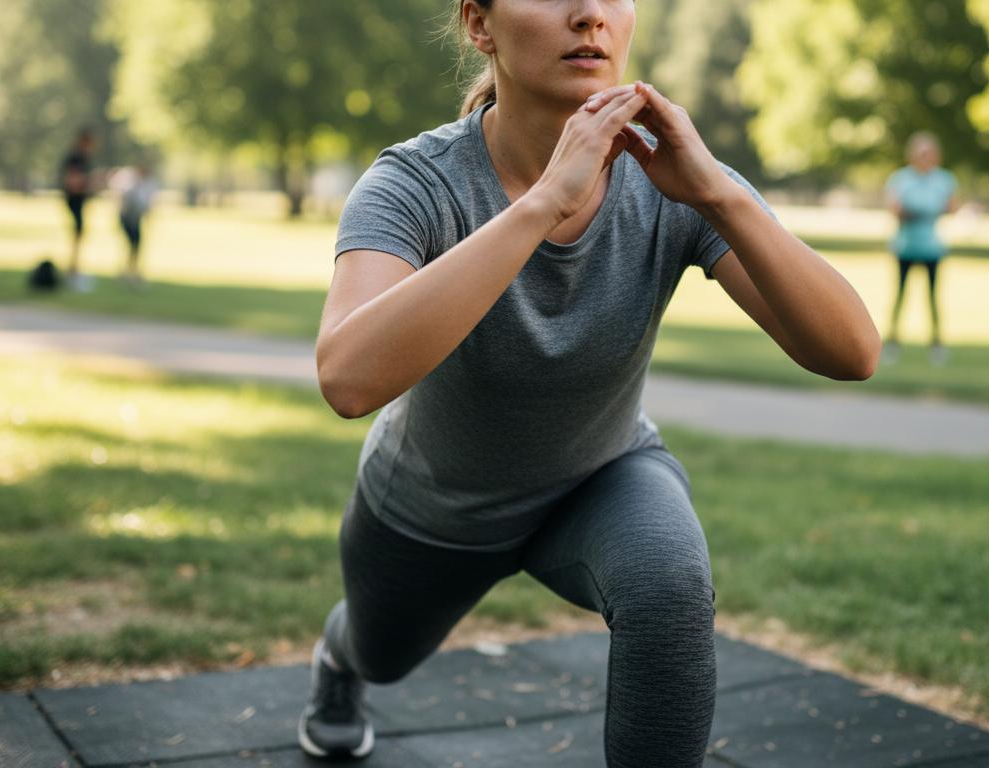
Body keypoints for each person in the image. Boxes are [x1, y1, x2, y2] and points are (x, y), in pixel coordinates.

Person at [301, 1, 880, 765]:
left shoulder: (674, 178)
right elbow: (347, 380)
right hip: (433, 506)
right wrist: (545, 203)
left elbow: (851, 352)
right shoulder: (415, 181)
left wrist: (720, 196)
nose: (589, 14)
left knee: (669, 587)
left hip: (601, 477)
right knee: (379, 655)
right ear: (480, 25)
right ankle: (338, 662)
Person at [882, 132, 959, 366]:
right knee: (899, 296)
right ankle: (892, 343)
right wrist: (924, 211)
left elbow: (951, 206)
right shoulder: (901, 179)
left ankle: (936, 344)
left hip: (931, 248)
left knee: (933, 299)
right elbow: (896, 209)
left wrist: (923, 210)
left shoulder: (943, 179)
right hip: (905, 246)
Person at [59, 128, 97, 290]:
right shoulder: (76, 158)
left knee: (79, 233)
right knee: (77, 233)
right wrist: (90, 183)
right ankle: (72, 270)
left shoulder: (83, 158)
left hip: (80, 201)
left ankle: (74, 268)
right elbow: (72, 182)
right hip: (74, 200)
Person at [111, 163, 159, 287]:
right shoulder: (131, 184)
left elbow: (146, 204)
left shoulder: (146, 185)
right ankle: (127, 271)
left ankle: (131, 271)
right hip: (127, 218)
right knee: (131, 244)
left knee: (135, 245)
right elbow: (127, 203)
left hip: (135, 219)